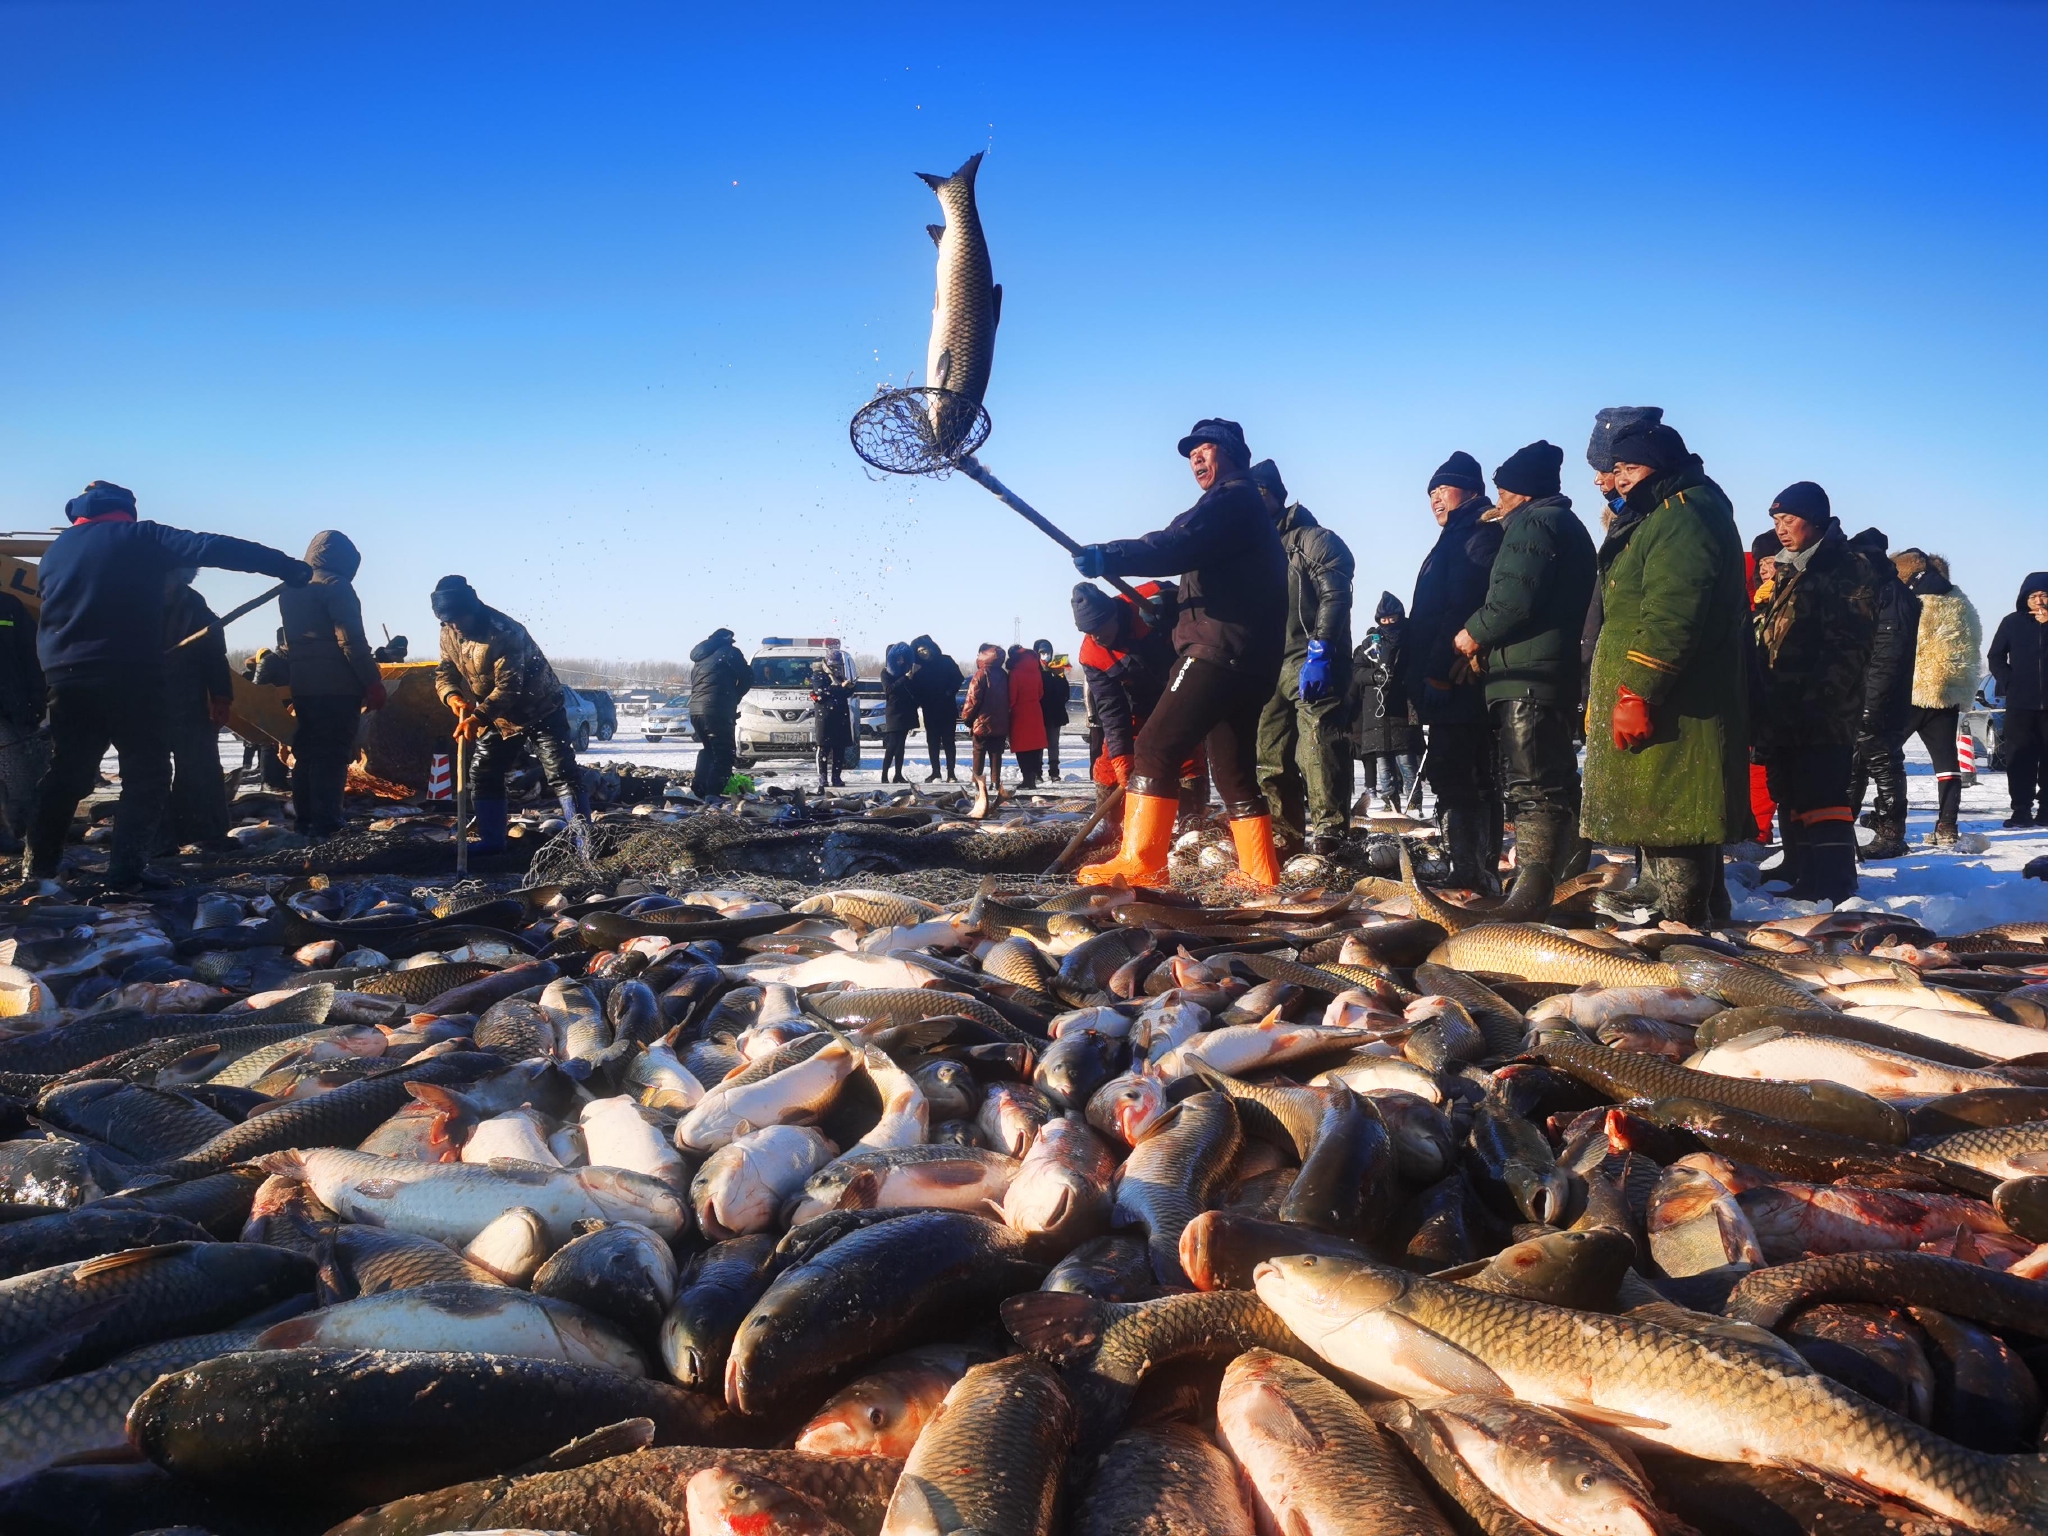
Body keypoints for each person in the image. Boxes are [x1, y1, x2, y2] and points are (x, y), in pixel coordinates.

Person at [25, 481, 311, 892]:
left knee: (68, 772)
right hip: (129, 676)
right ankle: (126, 872)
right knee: (147, 773)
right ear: (127, 511)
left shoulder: (57, 553)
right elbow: (212, 546)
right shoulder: (139, 537)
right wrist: (287, 566)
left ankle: (38, 869)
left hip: (65, 679)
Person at [1069, 418, 1289, 889]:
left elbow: (1176, 544)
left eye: (1204, 447)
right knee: (1233, 771)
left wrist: (1112, 555)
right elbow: (1215, 574)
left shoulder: (1231, 498)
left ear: (1230, 452)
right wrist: (1169, 604)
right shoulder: (1240, 506)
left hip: (1218, 651)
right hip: (1251, 660)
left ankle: (1143, 864)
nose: (1194, 457)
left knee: (1153, 747)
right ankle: (1260, 873)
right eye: (1190, 451)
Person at [1580, 423, 1750, 926]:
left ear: (1662, 465)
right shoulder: (1662, 511)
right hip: (1667, 687)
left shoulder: (1684, 515)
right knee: (1661, 797)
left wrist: (1640, 688)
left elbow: (1674, 611)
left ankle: (1680, 914)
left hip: (1679, 693)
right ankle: (1677, 896)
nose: (1622, 479)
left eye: (1631, 468)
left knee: (1675, 802)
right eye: (1618, 469)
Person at [1450, 441, 1597, 913]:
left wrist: (1472, 635)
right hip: (1548, 673)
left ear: (1521, 491)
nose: (1498, 498)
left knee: (1533, 786)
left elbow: (1513, 599)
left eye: (1503, 489)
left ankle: (1534, 893)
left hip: (1527, 677)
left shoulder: (1533, 524)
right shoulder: (1563, 523)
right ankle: (1568, 885)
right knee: (1557, 783)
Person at [1749, 484, 1876, 902]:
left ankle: (1836, 880)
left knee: (1823, 793)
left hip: (1823, 707)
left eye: (1789, 520)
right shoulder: (1791, 568)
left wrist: (1819, 701)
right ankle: (1802, 869)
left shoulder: (1844, 566)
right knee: (1790, 789)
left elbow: (1848, 645)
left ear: (1816, 520)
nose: (1781, 529)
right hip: (1782, 702)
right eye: (1776, 521)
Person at [1405, 451, 1504, 890]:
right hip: (1450, 670)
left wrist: (1439, 668)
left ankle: (1469, 872)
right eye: (1430, 494)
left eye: (1443, 489)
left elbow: (1459, 604)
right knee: (1468, 772)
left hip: (1458, 676)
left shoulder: (1476, 534)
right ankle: (1473, 866)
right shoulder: (1456, 535)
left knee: (1459, 771)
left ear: (1471, 489)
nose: (1435, 500)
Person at [430, 574, 583, 855]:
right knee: (483, 771)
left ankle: (584, 842)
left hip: (540, 709)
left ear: (471, 608)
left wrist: (477, 718)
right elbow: (445, 671)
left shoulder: (504, 632)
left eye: (458, 617)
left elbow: (509, 688)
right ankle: (492, 842)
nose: (454, 625)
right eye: (447, 619)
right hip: (498, 718)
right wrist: (452, 696)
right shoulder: (448, 632)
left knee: (561, 773)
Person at [1250, 459, 1356, 856]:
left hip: (1309, 656)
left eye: (1258, 494)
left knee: (1318, 744)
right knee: (1268, 754)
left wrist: (1322, 646)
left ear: (1275, 496)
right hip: (1266, 664)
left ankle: (1331, 835)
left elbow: (1335, 592)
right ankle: (1284, 837)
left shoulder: (1313, 539)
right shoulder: (1250, 550)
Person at [278, 531, 385, 839]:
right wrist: (372, 681)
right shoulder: (337, 586)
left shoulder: (291, 588)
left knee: (307, 753)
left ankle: (306, 821)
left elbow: (294, 642)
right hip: (338, 686)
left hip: (304, 686)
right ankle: (328, 823)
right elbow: (351, 641)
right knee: (333, 754)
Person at [1580, 409, 1662, 742]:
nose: (1597, 480)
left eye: (1605, 469)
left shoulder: (1656, 523)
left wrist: (1635, 691)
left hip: (1639, 683)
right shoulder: (1622, 522)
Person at [1892, 550, 1983, 847]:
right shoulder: (1962, 603)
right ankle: (1947, 826)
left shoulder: (1909, 600)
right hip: (1947, 695)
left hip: (1910, 691)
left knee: (1884, 757)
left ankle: (1891, 822)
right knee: (1947, 763)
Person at [1845, 527, 1921, 859]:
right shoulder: (1879, 591)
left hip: (1879, 695)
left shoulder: (1890, 595)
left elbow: (1888, 654)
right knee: (1859, 762)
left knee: (1882, 759)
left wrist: (1870, 700)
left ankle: (1891, 833)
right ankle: (1843, 831)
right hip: (1870, 692)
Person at [1072, 580, 1179, 800]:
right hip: (1139, 701)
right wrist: (1122, 758)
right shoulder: (1091, 654)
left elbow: (1192, 598)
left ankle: (1191, 819)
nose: (1096, 637)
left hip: (1181, 688)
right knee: (1109, 764)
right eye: (1089, 632)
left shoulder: (1147, 600)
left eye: (1099, 629)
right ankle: (1111, 826)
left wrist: (1170, 604)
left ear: (1113, 616)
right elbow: (1111, 708)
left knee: (1186, 755)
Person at [160, 568, 235, 850]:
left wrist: (221, 698)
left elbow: (215, 659)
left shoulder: (196, 608)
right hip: (142, 702)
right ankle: (155, 838)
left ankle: (205, 834)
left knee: (200, 768)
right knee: (147, 773)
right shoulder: (131, 602)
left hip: (188, 702)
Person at [1348, 593, 1422, 813]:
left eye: (1392, 618)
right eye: (1384, 620)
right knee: (1383, 764)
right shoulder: (1369, 645)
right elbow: (1357, 671)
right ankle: (1390, 804)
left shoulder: (1413, 640)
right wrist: (1375, 677)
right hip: (1377, 712)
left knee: (1406, 761)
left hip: (1403, 709)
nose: (1388, 623)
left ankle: (1414, 801)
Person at [1987, 572, 2048, 827]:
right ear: (2024, 598)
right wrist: (2009, 682)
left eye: (2044, 595)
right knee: (2020, 757)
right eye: (2033, 596)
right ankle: (2021, 809)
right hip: (2021, 703)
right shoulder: (2012, 622)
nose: (2038, 601)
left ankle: (2046, 810)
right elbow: (1995, 656)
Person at [1744, 529, 1784, 843]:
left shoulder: (1777, 599)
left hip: (1773, 693)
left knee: (1762, 767)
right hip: (1754, 691)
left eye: (1769, 561)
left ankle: (1760, 833)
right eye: (1760, 562)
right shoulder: (1758, 602)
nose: (1763, 568)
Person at [0, 590, 44, 854]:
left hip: (14, 707)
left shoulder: (8, 605)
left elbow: (32, 653)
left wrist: (37, 701)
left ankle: (23, 832)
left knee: (25, 779)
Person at [687, 628, 751, 797]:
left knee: (709, 749)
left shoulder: (700, 658)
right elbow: (748, 677)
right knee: (724, 753)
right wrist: (734, 698)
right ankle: (713, 795)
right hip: (717, 709)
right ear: (728, 640)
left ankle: (699, 791)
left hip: (695, 710)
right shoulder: (730, 652)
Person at [909, 635, 963, 782]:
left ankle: (951, 773)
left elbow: (958, 678)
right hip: (930, 709)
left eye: (924, 650)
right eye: (919, 651)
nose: (922, 653)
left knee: (949, 741)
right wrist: (919, 699)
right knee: (932, 741)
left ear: (931, 648)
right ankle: (936, 772)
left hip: (947, 707)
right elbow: (913, 688)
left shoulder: (946, 661)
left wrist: (949, 692)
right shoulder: (918, 667)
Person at [960, 643, 1009, 799]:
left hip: (981, 722)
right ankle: (995, 781)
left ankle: (977, 781)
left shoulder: (980, 674)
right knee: (996, 753)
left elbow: (972, 699)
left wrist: (967, 718)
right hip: (1000, 721)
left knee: (979, 751)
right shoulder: (1003, 674)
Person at [809, 655, 853, 790]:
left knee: (839, 749)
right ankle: (822, 777)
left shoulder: (840, 677)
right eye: (833, 666)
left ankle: (836, 776)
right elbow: (821, 692)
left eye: (838, 666)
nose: (836, 669)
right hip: (825, 718)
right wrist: (840, 687)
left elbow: (845, 694)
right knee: (823, 749)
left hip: (840, 717)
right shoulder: (819, 677)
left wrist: (850, 687)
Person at [1006, 643, 1046, 787]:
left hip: (1020, 713)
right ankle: (1033, 778)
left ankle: (1027, 778)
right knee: (1035, 747)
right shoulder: (1036, 669)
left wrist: (1007, 710)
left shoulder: (1015, 672)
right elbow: (1040, 692)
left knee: (1022, 748)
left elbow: (1012, 696)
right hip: (1035, 711)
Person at [879, 642, 919, 783]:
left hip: (905, 710)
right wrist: (905, 678)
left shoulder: (906, 671)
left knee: (901, 745)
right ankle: (884, 775)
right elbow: (889, 689)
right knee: (892, 744)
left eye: (902, 658)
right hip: (894, 712)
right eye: (898, 658)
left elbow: (912, 689)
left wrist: (912, 677)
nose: (901, 661)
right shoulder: (886, 672)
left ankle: (898, 774)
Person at [1033, 640, 1071, 780]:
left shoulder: (1057, 669)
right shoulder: (1034, 670)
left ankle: (1054, 772)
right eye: (1042, 652)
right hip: (1039, 714)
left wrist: (1060, 676)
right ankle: (1037, 772)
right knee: (1038, 744)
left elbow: (1065, 694)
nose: (1045, 656)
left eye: (1047, 652)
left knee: (1053, 744)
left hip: (1055, 715)